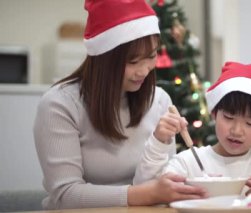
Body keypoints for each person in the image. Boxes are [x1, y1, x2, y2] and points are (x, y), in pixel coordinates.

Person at [33, 0, 206, 210]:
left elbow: (165, 175)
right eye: (133, 62)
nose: (144, 71)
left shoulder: (159, 100)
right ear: (104, 59)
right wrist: (147, 194)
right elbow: (66, 194)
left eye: (151, 57)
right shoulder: (60, 105)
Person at [138, 61, 251, 201]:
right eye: (228, 118)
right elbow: (146, 190)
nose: (237, 131)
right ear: (213, 114)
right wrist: (158, 141)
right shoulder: (190, 162)